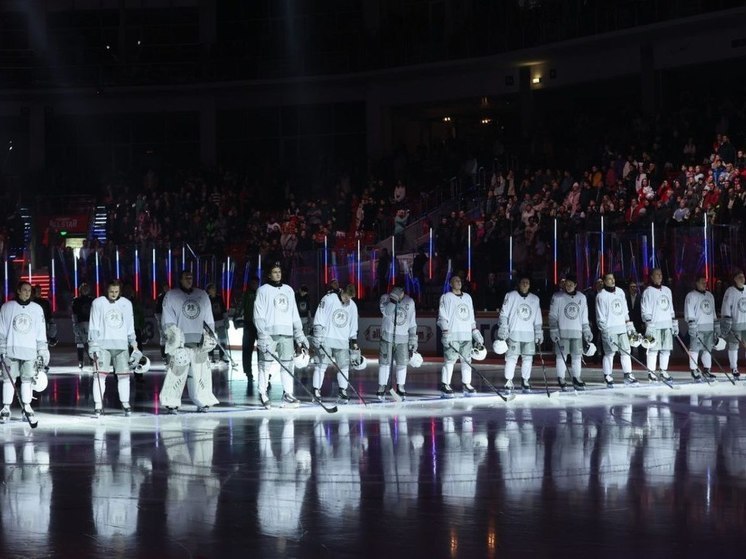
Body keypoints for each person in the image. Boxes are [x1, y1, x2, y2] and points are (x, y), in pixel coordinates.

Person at [159, 270, 219, 413]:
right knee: (177, 374)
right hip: (181, 344)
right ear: (180, 279)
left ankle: (203, 400)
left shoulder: (202, 295)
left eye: (191, 277)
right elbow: (168, 320)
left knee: (201, 374)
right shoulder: (172, 296)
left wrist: (210, 335)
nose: (189, 280)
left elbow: (209, 318)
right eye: (186, 277)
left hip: (199, 343)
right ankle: (171, 402)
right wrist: (175, 340)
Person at [253, 262, 309, 409]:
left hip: (287, 334)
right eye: (275, 272)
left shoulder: (289, 290)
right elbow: (258, 315)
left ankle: (287, 394)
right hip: (269, 335)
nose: (278, 274)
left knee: (288, 365)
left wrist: (300, 334)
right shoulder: (262, 290)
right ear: (269, 274)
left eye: (279, 271)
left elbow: (294, 313)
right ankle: (263, 393)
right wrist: (262, 335)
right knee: (265, 365)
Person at [87, 279, 139, 416]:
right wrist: (93, 345)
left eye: (116, 292)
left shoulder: (127, 304)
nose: (114, 294)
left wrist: (133, 343)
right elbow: (93, 325)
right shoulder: (98, 303)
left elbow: (130, 325)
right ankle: (98, 404)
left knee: (124, 376)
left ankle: (126, 403)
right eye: (111, 291)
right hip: (103, 345)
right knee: (99, 376)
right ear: (106, 290)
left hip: (121, 345)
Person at [0, 281, 49, 422]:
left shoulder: (37, 309)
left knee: (27, 379)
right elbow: (2, 331)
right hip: (11, 350)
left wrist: (42, 350)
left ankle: (27, 406)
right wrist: (2, 348)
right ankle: (6, 408)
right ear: (18, 290)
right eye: (25, 290)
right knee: (9, 379)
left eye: (29, 290)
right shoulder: (7, 308)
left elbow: (40, 332)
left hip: (30, 352)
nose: (27, 293)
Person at [310, 284, 359, 403]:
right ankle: (316, 390)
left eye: (350, 298)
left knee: (343, 367)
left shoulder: (352, 305)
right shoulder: (329, 298)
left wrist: (354, 341)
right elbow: (320, 315)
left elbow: (353, 324)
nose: (348, 300)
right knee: (321, 365)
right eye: (347, 297)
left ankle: (342, 391)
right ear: (343, 292)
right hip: (326, 338)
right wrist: (317, 333)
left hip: (342, 340)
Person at [437, 275, 483, 397]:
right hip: (453, 335)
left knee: (467, 360)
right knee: (450, 360)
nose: (459, 282)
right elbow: (442, 316)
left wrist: (475, 331)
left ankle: (466, 384)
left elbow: (471, 315)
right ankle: (445, 384)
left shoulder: (468, 297)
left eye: (460, 280)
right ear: (450, 284)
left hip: (466, 335)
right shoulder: (446, 297)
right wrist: (445, 332)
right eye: (456, 281)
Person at [497, 273, 542, 393]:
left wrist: (538, 333)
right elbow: (504, 313)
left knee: (528, 359)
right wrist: (503, 328)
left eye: (527, 283)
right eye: (523, 282)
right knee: (511, 358)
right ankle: (509, 381)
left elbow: (538, 318)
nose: (525, 284)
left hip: (529, 335)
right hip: (514, 333)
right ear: (519, 284)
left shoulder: (535, 299)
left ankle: (525, 380)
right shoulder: (510, 296)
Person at [548, 274, 592, 391]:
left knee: (577, 356)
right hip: (562, 333)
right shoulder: (557, 297)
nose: (568, 286)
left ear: (575, 285)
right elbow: (553, 316)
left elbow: (584, 316)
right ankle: (561, 377)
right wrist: (554, 330)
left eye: (571, 284)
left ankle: (576, 377)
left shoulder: (582, 298)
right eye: (567, 284)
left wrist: (586, 330)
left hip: (577, 332)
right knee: (562, 356)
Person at [596, 273, 637, 387]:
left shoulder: (620, 292)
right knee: (610, 353)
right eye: (609, 279)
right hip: (609, 329)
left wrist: (629, 324)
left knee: (626, 351)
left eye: (613, 278)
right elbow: (600, 315)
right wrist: (604, 331)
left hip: (622, 328)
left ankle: (628, 374)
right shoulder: (601, 296)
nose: (612, 280)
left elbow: (625, 309)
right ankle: (607, 375)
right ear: (604, 281)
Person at [377, 284, 417, 400]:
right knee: (384, 363)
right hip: (387, 338)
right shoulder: (385, 298)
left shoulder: (410, 301)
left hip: (403, 338)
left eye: (400, 292)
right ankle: (382, 387)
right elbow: (387, 312)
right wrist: (393, 300)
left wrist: (413, 338)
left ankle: (401, 387)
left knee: (402, 363)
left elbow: (412, 321)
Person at [640, 268, 677, 382]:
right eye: (657, 275)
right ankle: (651, 372)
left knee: (666, 349)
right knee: (653, 350)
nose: (660, 277)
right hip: (654, 326)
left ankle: (663, 371)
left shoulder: (667, 290)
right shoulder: (648, 292)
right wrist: (649, 325)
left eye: (661, 274)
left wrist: (674, 324)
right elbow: (645, 310)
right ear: (651, 277)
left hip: (667, 325)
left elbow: (671, 308)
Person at [684, 274, 719, 381]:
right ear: (697, 283)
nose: (705, 284)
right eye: (702, 282)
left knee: (708, 350)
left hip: (709, 327)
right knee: (695, 349)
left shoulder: (710, 295)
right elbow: (689, 311)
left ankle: (707, 370)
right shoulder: (691, 296)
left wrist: (716, 326)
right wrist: (692, 325)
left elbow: (713, 312)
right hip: (697, 327)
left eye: (706, 282)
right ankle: (694, 370)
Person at [720, 269, 746, 379]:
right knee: (733, 346)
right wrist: (727, 320)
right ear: (735, 279)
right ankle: (734, 367)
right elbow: (726, 307)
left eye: (743, 276)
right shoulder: (730, 291)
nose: (742, 278)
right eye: (740, 277)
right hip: (735, 324)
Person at [240, 276, 260, 379]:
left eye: (256, 283)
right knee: (247, 349)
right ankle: (248, 371)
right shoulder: (246, 294)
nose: (254, 285)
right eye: (253, 283)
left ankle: (263, 370)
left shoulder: (261, 293)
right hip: (248, 324)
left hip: (260, 325)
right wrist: (236, 318)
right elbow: (240, 306)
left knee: (262, 349)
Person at [71, 282, 94, 369]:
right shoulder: (76, 300)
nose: (85, 290)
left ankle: (91, 359)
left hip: (90, 324)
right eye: (83, 288)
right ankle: (81, 361)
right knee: (80, 343)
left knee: (90, 343)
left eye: (86, 288)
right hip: (79, 323)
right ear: (80, 290)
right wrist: (75, 324)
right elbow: (74, 313)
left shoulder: (92, 300)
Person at [206, 283, 229, 364]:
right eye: (212, 288)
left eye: (214, 288)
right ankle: (212, 356)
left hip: (220, 321)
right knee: (212, 340)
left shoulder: (219, 298)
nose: (213, 290)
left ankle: (223, 355)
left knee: (222, 339)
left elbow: (223, 309)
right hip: (211, 323)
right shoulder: (207, 299)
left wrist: (226, 320)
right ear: (208, 290)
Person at [154, 283, 170, 358]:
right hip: (161, 316)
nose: (166, 288)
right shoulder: (161, 297)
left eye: (167, 287)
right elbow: (157, 309)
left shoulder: (171, 296)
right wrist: (158, 317)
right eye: (165, 287)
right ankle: (164, 353)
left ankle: (168, 352)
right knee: (163, 335)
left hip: (169, 318)